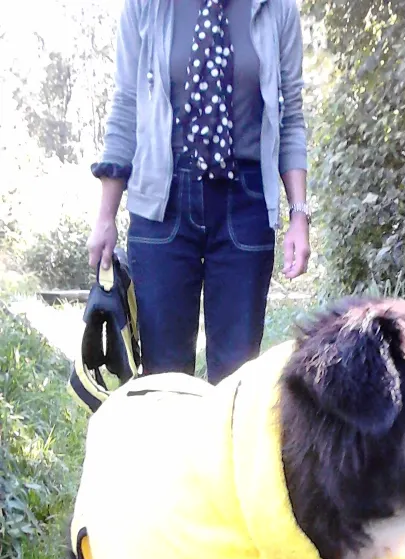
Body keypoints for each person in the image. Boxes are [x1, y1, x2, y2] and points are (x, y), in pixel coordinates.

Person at [87, 0, 310, 384]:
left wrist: (299, 214)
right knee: (164, 382)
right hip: (162, 205)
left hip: (247, 203)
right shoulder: (147, 6)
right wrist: (105, 215)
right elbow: (126, 106)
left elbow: (291, 115)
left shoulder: (276, 9)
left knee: (237, 381)